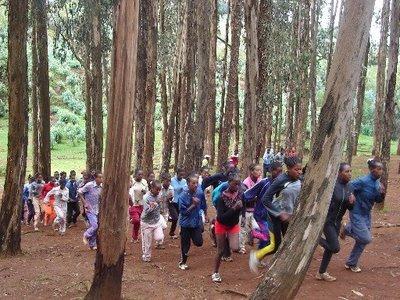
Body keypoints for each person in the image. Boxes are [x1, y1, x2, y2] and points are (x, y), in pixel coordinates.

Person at [249, 156, 302, 273]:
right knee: (275, 245)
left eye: (300, 169)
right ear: (288, 169)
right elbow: (266, 199)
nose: (299, 172)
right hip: (275, 216)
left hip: (289, 217)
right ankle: (255, 256)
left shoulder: (300, 179)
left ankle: (283, 266)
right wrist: (279, 213)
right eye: (296, 169)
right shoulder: (280, 180)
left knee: (288, 242)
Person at [342, 160, 385, 273]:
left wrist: (382, 193)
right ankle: (346, 229)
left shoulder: (377, 183)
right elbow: (349, 186)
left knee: (362, 241)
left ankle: (351, 263)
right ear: (372, 170)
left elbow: (377, 200)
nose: (381, 171)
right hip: (357, 213)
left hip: (367, 214)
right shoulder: (363, 181)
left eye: (382, 169)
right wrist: (351, 195)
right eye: (379, 169)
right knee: (366, 238)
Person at [316, 163, 355, 282]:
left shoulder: (350, 187)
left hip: (337, 221)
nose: (349, 174)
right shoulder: (332, 185)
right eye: (346, 171)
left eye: (350, 171)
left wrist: (352, 203)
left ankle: (321, 272)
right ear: (339, 173)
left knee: (329, 248)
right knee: (335, 247)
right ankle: (315, 239)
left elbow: (349, 208)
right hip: (327, 220)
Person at [243, 162, 283, 252]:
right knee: (266, 236)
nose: (280, 174)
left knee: (270, 239)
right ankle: (254, 234)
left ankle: (258, 255)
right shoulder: (263, 183)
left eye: (281, 172)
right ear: (271, 171)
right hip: (261, 215)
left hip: (273, 216)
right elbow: (246, 194)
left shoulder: (282, 184)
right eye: (277, 172)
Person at [211, 175, 243, 283]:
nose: (237, 186)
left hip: (233, 225)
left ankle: (226, 239)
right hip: (221, 224)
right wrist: (234, 208)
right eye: (235, 184)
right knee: (220, 251)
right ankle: (215, 273)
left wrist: (241, 213)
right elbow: (221, 217)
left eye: (239, 184)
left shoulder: (240, 195)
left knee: (235, 247)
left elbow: (243, 207)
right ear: (229, 183)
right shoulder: (221, 198)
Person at [178, 175, 204, 270]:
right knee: (185, 244)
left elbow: (202, 205)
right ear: (188, 184)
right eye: (193, 183)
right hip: (186, 224)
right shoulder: (183, 196)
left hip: (196, 222)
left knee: (199, 242)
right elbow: (183, 212)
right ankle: (182, 262)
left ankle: (192, 238)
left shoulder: (200, 193)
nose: (196, 185)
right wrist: (193, 205)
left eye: (197, 183)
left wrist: (203, 214)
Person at [239, 164, 262, 254]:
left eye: (260, 170)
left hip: (255, 210)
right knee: (243, 229)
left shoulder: (260, 181)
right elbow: (245, 198)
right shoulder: (246, 182)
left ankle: (250, 239)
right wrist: (256, 198)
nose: (260, 172)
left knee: (256, 228)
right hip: (245, 210)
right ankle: (241, 247)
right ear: (252, 172)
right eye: (257, 170)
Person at [141, 181, 164, 262]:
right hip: (146, 222)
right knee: (147, 243)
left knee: (159, 237)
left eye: (159, 190)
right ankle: (146, 256)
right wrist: (156, 204)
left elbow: (161, 206)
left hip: (156, 221)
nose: (158, 192)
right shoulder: (146, 197)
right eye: (157, 190)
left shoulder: (159, 195)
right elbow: (147, 211)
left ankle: (147, 253)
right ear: (152, 188)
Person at [79, 172, 103, 250]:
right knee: (95, 225)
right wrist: (85, 203)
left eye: (102, 177)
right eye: (99, 177)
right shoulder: (89, 185)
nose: (101, 179)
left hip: (98, 209)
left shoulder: (101, 188)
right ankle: (86, 235)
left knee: (97, 227)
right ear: (95, 178)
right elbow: (79, 192)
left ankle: (92, 244)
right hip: (90, 209)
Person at [128, 169, 149, 243]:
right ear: (135, 175)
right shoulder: (132, 182)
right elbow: (129, 190)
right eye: (139, 174)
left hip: (141, 204)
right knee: (136, 220)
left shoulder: (144, 182)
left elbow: (147, 191)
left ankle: (134, 237)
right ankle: (131, 219)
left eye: (142, 175)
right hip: (133, 204)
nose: (140, 176)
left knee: (138, 223)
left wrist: (145, 192)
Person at [170, 167, 187, 238]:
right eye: (180, 175)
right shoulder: (172, 180)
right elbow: (172, 189)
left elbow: (186, 189)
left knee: (181, 216)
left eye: (183, 175)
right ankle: (172, 231)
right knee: (175, 217)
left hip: (181, 201)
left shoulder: (184, 181)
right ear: (177, 174)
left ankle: (181, 231)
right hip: (173, 201)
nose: (181, 176)